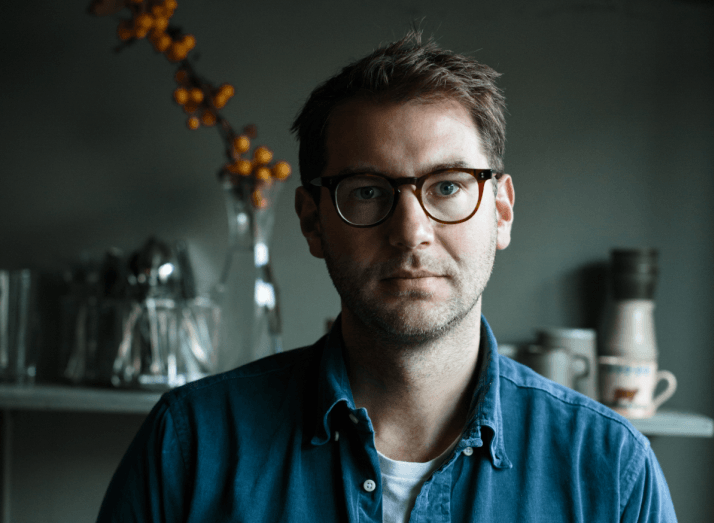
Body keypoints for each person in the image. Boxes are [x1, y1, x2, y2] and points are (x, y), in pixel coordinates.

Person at [96, 31, 677, 522]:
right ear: (312, 221)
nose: (410, 231)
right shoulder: (190, 447)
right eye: (369, 192)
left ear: (500, 211)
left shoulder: (609, 469)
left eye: (447, 186)